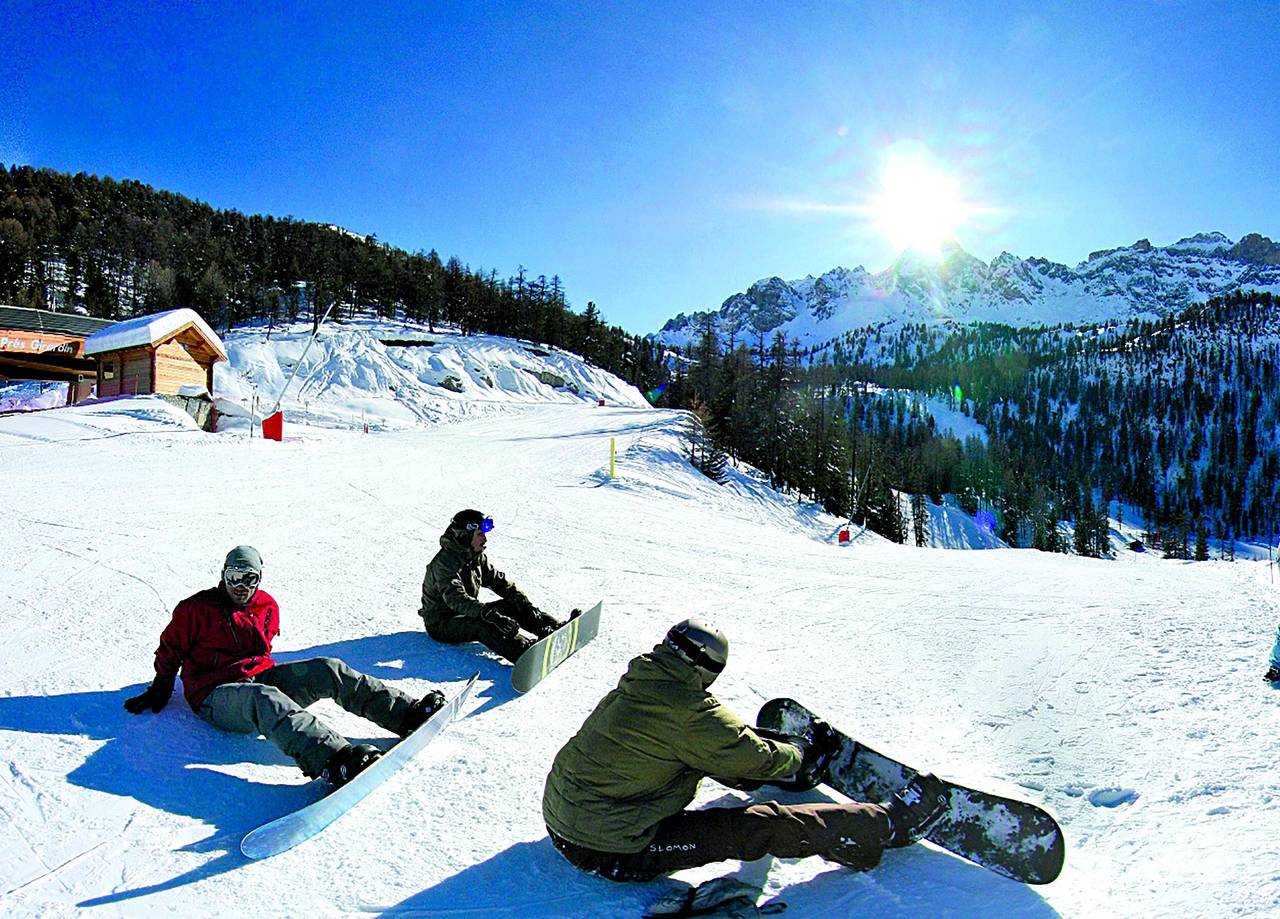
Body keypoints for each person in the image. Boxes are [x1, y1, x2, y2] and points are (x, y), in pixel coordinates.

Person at [542, 618, 949, 881]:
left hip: (568, 815)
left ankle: (793, 775)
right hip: (607, 847)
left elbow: (716, 742)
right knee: (754, 825)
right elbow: (750, 754)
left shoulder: (642, 680)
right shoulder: (690, 712)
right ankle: (882, 824)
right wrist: (802, 755)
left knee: (703, 753)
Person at [124, 545, 446, 788]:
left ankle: (407, 714)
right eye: (233, 577)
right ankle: (335, 760)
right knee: (263, 698)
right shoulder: (195, 610)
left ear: (259, 579)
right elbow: (171, 649)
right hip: (214, 695)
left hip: (259, 678)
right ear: (223, 575)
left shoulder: (267, 606)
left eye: (248, 578)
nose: (240, 585)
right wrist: (161, 686)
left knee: (327, 668)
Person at [419, 509, 565, 663]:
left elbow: (499, 583)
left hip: (463, 613)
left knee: (511, 605)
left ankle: (552, 628)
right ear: (465, 535)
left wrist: (524, 603)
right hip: (441, 623)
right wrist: (489, 615)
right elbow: (456, 599)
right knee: (482, 624)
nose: (485, 539)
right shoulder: (444, 563)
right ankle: (524, 653)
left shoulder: (475, 556)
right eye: (480, 534)